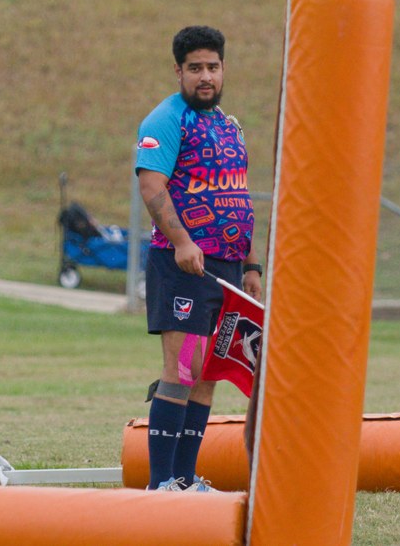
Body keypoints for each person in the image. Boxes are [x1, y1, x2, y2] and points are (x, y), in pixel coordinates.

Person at [135, 26, 262, 492]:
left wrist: (251, 265)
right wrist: (184, 241)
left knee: (208, 376)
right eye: (195, 68)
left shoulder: (228, 125)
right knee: (183, 370)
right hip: (183, 265)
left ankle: (186, 481)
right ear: (178, 71)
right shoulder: (166, 120)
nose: (205, 76)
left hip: (226, 269)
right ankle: (161, 484)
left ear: (223, 69)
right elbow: (151, 186)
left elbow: (238, 195)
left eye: (213, 66)